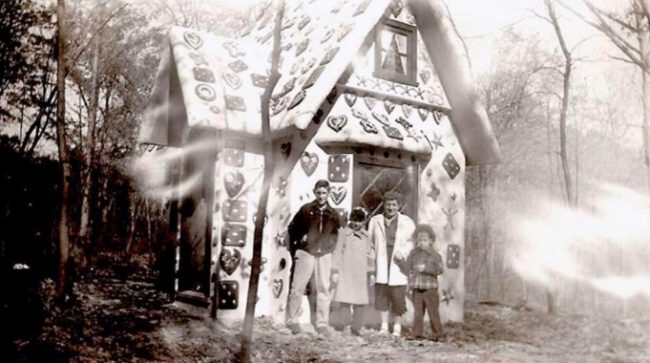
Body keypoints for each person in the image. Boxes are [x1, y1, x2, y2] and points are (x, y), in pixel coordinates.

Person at [286, 179, 341, 335]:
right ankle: (292, 320)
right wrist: (299, 241)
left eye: (324, 193)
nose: (321, 196)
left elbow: (336, 234)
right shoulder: (306, 210)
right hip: (306, 252)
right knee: (298, 287)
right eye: (318, 193)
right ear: (314, 192)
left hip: (324, 254)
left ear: (329, 193)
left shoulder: (332, 213)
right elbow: (292, 228)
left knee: (324, 288)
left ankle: (322, 323)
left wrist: (330, 248)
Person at [369, 191, 415, 336]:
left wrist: (404, 251)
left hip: (397, 263)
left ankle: (396, 327)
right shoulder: (375, 220)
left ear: (399, 206)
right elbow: (370, 243)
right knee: (382, 295)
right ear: (384, 205)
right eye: (388, 204)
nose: (391, 208)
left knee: (397, 297)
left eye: (394, 205)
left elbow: (412, 241)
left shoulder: (407, 222)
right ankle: (383, 326)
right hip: (381, 261)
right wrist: (371, 266)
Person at [330, 207, 375, 336]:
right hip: (346, 271)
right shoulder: (343, 233)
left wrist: (371, 273)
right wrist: (335, 271)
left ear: (364, 222)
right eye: (354, 220)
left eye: (359, 221)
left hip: (360, 273)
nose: (356, 224)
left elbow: (370, 254)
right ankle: (345, 325)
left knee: (359, 301)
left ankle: (357, 327)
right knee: (345, 299)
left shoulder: (367, 236)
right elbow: (338, 252)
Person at [396, 224, 444, 341]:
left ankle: (437, 334)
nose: (422, 242)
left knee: (433, 313)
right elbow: (407, 269)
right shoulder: (413, 254)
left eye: (425, 240)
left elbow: (440, 270)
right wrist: (400, 261)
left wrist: (426, 268)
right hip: (417, 289)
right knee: (418, 314)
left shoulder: (435, 255)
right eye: (419, 240)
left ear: (431, 241)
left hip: (430, 289)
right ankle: (417, 334)